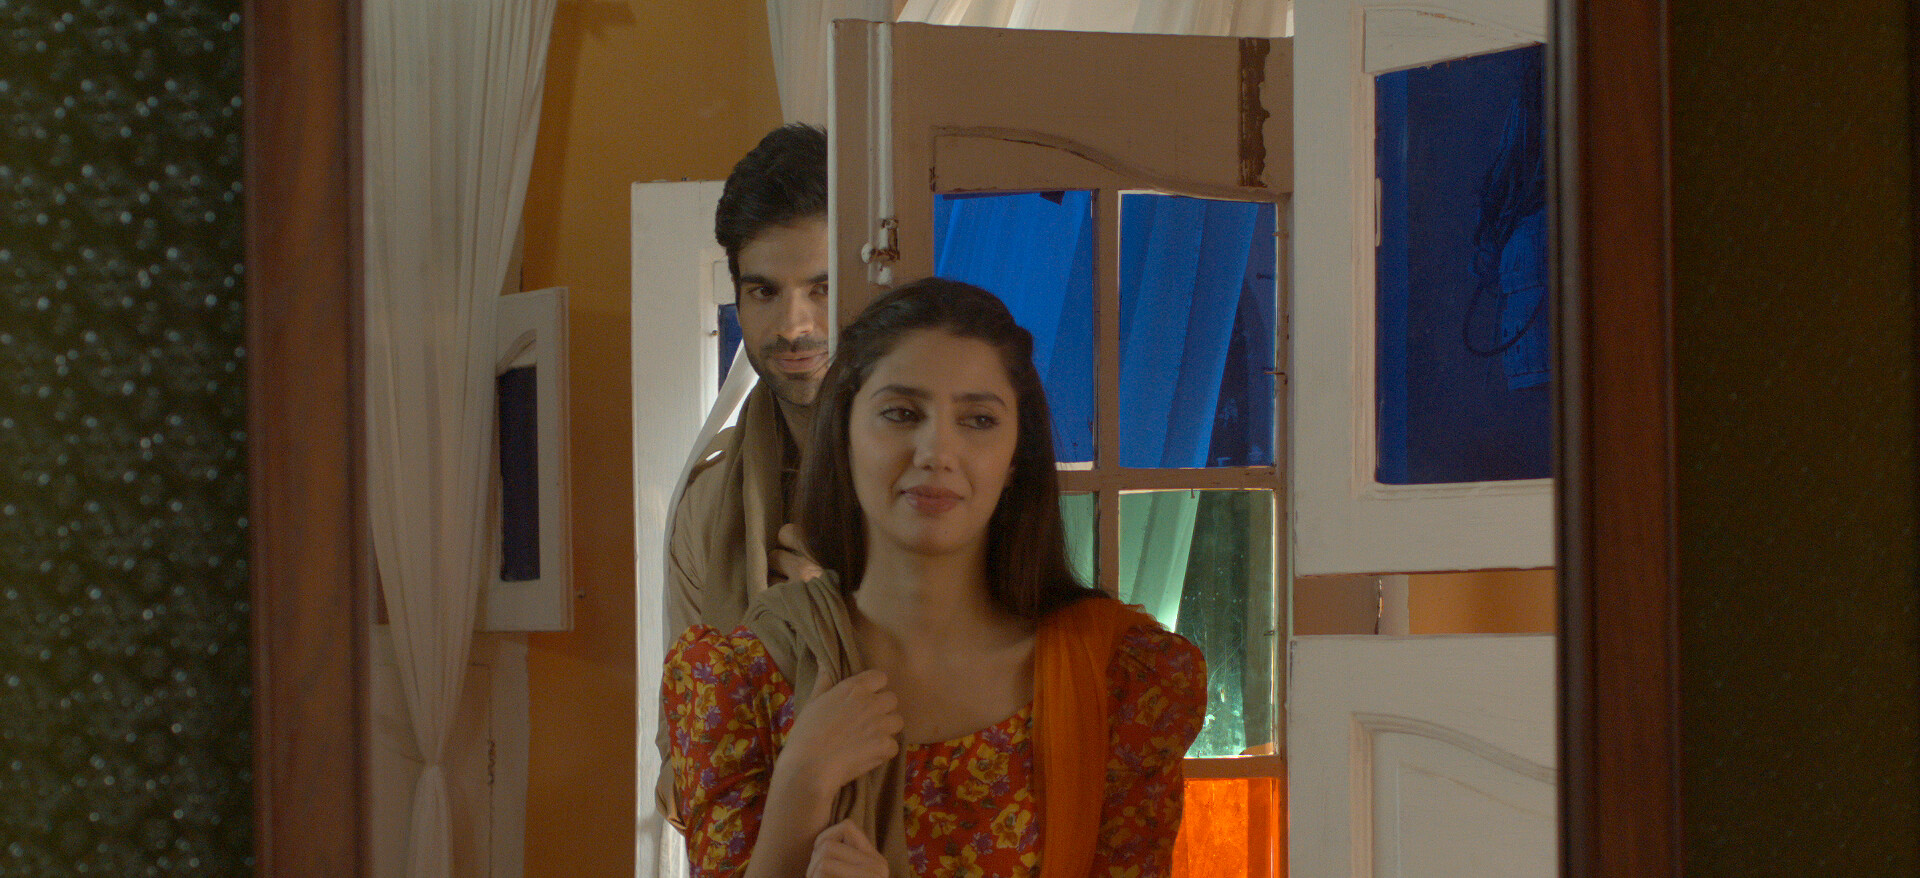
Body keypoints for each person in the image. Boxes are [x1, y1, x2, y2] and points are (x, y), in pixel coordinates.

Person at [662, 278, 1208, 877]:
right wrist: (803, 782)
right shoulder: (742, 680)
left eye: (978, 419)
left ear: (1015, 457)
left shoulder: (1118, 681)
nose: (936, 451)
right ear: (844, 436)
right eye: (901, 414)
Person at [658, 122, 834, 825]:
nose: (794, 326)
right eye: (764, 292)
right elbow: (683, 764)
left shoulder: (936, 475)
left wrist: (836, 626)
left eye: (822, 288)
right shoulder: (709, 502)